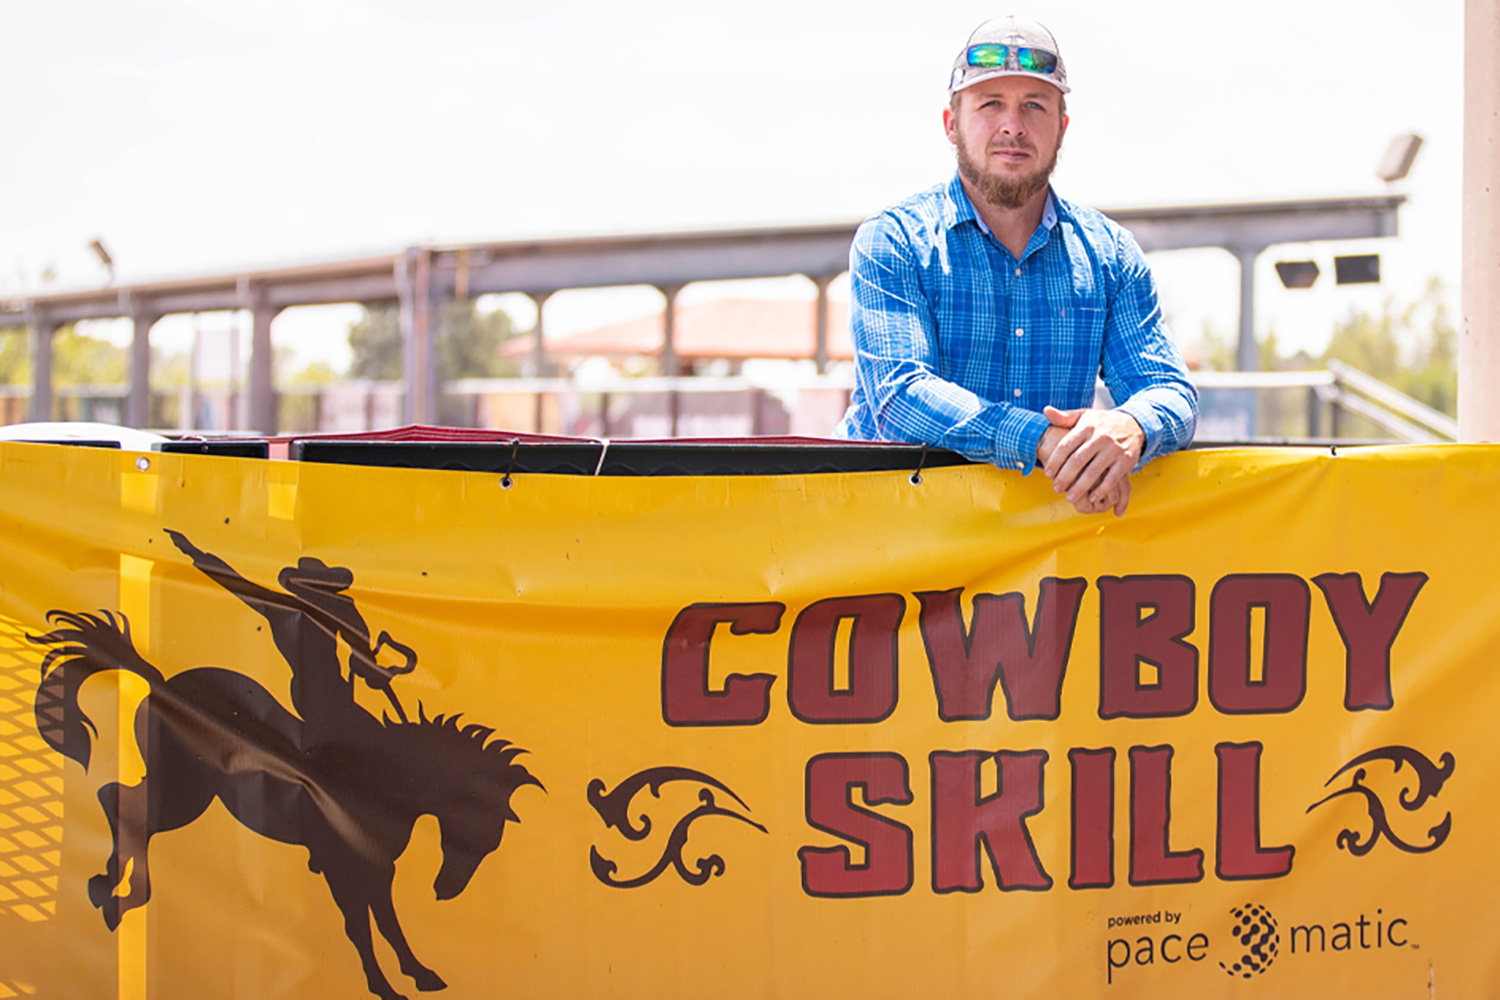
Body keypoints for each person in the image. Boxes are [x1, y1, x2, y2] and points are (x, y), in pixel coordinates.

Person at [834, 16, 1197, 515]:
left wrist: (1130, 427)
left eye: (1034, 105)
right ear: (951, 125)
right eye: (990, 104)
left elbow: (1169, 391)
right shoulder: (895, 240)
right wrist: (1041, 440)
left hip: (1035, 550)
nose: (1013, 125)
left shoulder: (1110, 256)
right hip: (891, 533)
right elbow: (900, 397)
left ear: (1061, 128)